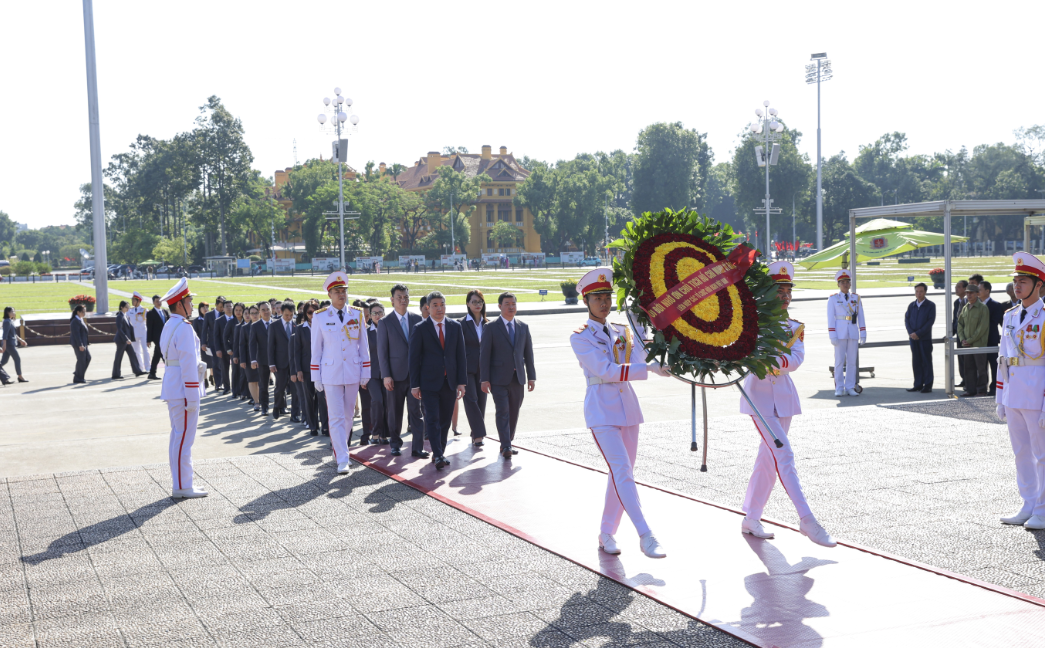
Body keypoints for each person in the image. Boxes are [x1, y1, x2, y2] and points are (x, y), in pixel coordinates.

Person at [569, 267, 670, 558]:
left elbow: (639, 357)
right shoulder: (581, 337)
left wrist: (640, 321)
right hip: (601, 410)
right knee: (622, 471)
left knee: (621, 474)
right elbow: (606, 370)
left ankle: (606, 533)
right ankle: (646, 534)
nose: (604, 302)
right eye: (597, 297)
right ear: (586, 301)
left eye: (607, 296)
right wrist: (648, 368)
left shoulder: (620, 330)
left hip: (628, 409)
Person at [741, 262, 836, 548]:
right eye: (778, 291)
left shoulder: (794, 327)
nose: (784, 296)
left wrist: (769, 362)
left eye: (787, 291)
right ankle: (807, 519)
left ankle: (751, 517)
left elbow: (795, 360)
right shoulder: (752, 323)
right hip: (758, 399)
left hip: (783, 400)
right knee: (784, 454)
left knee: (768, 461)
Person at [996, 253, 1045, 529]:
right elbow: (1003, 358)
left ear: (1039, 285)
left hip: (1037, 392)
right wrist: (1000, 398)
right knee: (1021, 453)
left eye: (1024, 281)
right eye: (1016, 281)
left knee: (1042, 454)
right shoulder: (1011, 315)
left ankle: (1043, 508)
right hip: (1014, 392)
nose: (1018, 286)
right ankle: (1028, 503)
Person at [311, 271, 371, 473]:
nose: (341, 294)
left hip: (352, 370)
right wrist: (315, 375)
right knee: (335, 416)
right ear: (329, 295)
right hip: (330, 372)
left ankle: (339, 450)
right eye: (337, 291)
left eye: (344, 291)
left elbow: (364, 346)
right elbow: (316, 349)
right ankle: (343, 458)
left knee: (348, 416)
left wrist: (366, 371)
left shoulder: (357, 313)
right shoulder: (320, 317)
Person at [158, 278, 208, 499]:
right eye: (189, 300)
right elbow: (188, 365)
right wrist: (192, 397)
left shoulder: (170, 324)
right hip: (182, 390)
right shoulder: (184, 327)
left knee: (178, 437)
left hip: (173, 387)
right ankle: (182, 485)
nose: (192, 304)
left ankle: (182, 483)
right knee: (184, 440)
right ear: (180, 303)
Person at [408, 291, 467, 469]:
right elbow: (414, 358)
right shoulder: (420, 328)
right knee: (432, 418)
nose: (439, 308)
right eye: (435, 305)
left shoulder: (455, 327)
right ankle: (439, 454)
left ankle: (439, 451)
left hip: (449, 382)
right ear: (428, 307)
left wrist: (461, 382)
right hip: (428, 383)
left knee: (445, 421)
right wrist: (415, 385)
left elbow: (460, 356)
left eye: (442, 304)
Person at [480, 292, 536, 459]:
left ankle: (508, 441)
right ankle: (505, 446)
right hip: (498, 378)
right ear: (499, 306)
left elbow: (529, 354)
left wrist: (531, 376)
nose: (511, 307)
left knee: (514, 411)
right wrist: (484, 379)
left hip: (517, 378)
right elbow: (484, 355)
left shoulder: (523, 327)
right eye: (507, 304)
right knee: (502, 410)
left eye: (513, 304)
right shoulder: (490, 327)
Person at [377, 284, 425, 458]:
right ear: (392, 300)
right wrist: (386, 375)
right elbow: (382, 352)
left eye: (405, 297)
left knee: (416, 412)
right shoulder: (385, 322)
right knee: (395, 412)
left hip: (414, 376)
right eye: (399, 297)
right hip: (394, 377)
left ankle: (418, 447)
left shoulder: (417, 319)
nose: (403, 300)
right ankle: (395, 444)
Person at [827, 269, 866, 397]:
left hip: (853, 332)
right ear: (838, 284)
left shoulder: (856, 298)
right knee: (839, 362)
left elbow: (861, 316)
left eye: (847, 282)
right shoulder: (833, 299)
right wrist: (832, 335)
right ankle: (839, 387)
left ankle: (850, 386)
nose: (845, 284)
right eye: (842, 282)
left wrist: (863, 333)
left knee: (852, 361)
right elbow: (830, 318)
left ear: (850, 284)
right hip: (839, 333)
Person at [459, 289, 489, 447]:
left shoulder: (489, 324)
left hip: (484, 370)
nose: (477, 304)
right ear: (468, 304)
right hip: (466, 369)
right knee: (471, 400)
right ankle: (479, 434)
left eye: (480, 301)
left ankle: (475, 432)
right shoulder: (460, 324)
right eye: (474, 301)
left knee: (482, 401)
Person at [295, 301, 328, 436]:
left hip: (323, 368)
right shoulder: (300, 329)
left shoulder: (325, 325)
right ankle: (313, 425)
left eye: (315, 312)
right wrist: (298, 370)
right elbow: (296, 351)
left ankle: (325, 426)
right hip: (306, 369)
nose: (312, 315)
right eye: (309, 313)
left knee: (322, 397)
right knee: (309, 398)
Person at [362, 302, 388, 444]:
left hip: (387, 374)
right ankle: (375, 433)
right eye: (374, 313)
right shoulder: (366, 333)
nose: (377, 315)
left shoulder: (389, 329)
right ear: (370, 316)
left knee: (387, 404)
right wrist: (362, 376)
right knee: (377, 401)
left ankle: (384, 434)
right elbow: (361, 355)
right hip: (371, 374)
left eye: (380, 312)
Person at [957, 283, 989, 397]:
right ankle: (970, 390)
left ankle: (981, 390)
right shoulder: (965, 308)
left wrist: (970, 340)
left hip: (978, 344)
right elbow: (960, 324)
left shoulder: (983, 308)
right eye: (967, 293)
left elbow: (982, 328)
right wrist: (962, 339)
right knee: (968, 367)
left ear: (977, 294)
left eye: (971, 293)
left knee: (981, 368)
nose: (968, 295)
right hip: (966, 344)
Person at [904, 282, 936, 393]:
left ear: (925, 292)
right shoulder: (911, 305)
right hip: (913, 339)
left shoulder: (930, 305)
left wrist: (919, 333)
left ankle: (927, 385)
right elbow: (907, 320)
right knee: (916, 361)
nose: (919, 293)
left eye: (921, 291)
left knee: (926, 361)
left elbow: (930, 322)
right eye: (917, 291)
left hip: (924, 339)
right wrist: (911, 333)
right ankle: (918, 384)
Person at [268, 301, 296, 420]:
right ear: (281, 312)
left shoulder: (296, 325)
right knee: (280, 387)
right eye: (286, 315)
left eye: (291, 315)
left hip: (294, 363)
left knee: (295, 389)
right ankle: (277, 406)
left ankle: (295, 414)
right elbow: (270, 346)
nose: (289, 317)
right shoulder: (274, 325)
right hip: (280, 362)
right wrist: (271, 363)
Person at [249, 301, 273, 415]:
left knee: (282, 384)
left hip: (277, 359)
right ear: (259, 312)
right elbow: (252, 344)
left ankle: (281, 406)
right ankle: (265, 407)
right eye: (263, 310)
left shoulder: (277, 324)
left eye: (267, 309)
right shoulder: (255, 326)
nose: (266, 312)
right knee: (263, 385)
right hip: (263, 360)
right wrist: (253, 359)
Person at [112, 301, 145, 380]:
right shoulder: (120, 316)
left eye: (128, 307)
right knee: (119, 357)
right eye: (126, 307)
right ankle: (115, 374)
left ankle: (137, 371)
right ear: (121, 307)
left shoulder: (125, 315)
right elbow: (119, 329)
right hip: (121, 340)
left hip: (127, 340)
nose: (128, 308)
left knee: (132, 355)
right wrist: (126, 339)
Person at [982, 281, 1004, 397]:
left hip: (991, 340)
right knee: (981, 366)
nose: (978, 292)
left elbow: (995, 322)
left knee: (994, 366)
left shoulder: (996, 305)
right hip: (979, 341)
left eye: (980, 290)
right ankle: (982, 388)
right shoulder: (975, 305)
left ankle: (994, 387)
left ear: (987, 291)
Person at [240, 305, 259, 408]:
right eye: (252, 313)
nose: (254, 315)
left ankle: (261, 399)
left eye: (256, 312)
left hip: (262, 358)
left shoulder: (264, 325)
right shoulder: (245, 328)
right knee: (252, 380)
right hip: (249, 358)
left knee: (261, 381)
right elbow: (242, 345)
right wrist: (242, 360)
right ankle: (256, 401)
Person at [2, 307, 28, 383]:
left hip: (10, 344)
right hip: (9, 345)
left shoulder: (10, 321)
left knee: (3, 362)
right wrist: (4, 345)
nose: (14, 312)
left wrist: (21, 340)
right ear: (7, 312)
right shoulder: (7, 321)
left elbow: (13, 333)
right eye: (12, 311)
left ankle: (5, 379)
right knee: (17, 359)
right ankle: (20, 377)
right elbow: (5, 335)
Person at [146, 296, 168, 379]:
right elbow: (149, 327)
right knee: (164, 354)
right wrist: (148, 340)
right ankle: (170, 371)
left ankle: (152, 373)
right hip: (157, 338)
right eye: (157, 301)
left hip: (165, 336)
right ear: (153, 302)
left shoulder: (165, 311)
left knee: (156, 355)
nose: (159, 302)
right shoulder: (151, 313)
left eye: (160, 301)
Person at [952, 280, 969, 388]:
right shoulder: (956, 302)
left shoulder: (970, 301)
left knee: (968, 360)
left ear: (965, 289)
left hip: (967, 335)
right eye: (956, 286)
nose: (956, 289)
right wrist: (951, 332)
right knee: (961, 359)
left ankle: (970, 381)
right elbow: (955, 320)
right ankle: (964, 379)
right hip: (959, 334)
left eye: (959, 287)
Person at [127, 292, 150, 371]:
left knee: (145, 349)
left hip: (143, 332)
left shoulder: (144, 310)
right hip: (134, 333)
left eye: (134, 300)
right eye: (132, 300)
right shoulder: (130, 310)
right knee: (136, 351)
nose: (132, 301)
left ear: (138, 301)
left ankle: (148, 367)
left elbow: (148, 320)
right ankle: (140, 367)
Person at [227, 303, 245, 399]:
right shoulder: (231, 322)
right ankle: (235, 390)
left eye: (240, 310)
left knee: (243, 372)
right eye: (236, 310)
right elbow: (225, 337)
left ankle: (243, 391)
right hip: (234, 351)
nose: (238, 312)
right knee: (235, 371)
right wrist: (228, 349)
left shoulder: (246, 321)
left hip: (244, 350)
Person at [215, 300, 232, 395]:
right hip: (223, 348)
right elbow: (216, 336)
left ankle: (237, 388)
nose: (229, 308)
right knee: (225, 369)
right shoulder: (219, 321)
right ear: (223, 308)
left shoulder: (237, 319)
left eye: (230, 306)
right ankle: (227, 387)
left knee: (237, 369)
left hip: (235, 348)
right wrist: (218, 349)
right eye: (227, 306)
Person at [70, 305, 91, 384]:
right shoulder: (75, 321)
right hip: (79, 344)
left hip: (84, 343)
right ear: (78, 312)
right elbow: (76, 334)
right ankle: (78, 378)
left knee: (87, 358)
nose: (84, 313)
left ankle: (78, 373)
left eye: (85, 311)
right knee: (82, 360)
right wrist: (80, 345)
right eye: (83, 312)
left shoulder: (80, 319)